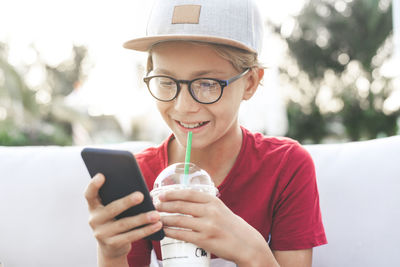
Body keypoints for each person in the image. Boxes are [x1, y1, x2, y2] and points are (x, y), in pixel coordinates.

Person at [84, 0, 327, 266]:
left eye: (208, 84)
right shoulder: (142, 178)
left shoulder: (287, 166)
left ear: (250, 82)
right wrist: (112, 254)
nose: (183, 107)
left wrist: (253, 251)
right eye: (166, 82)